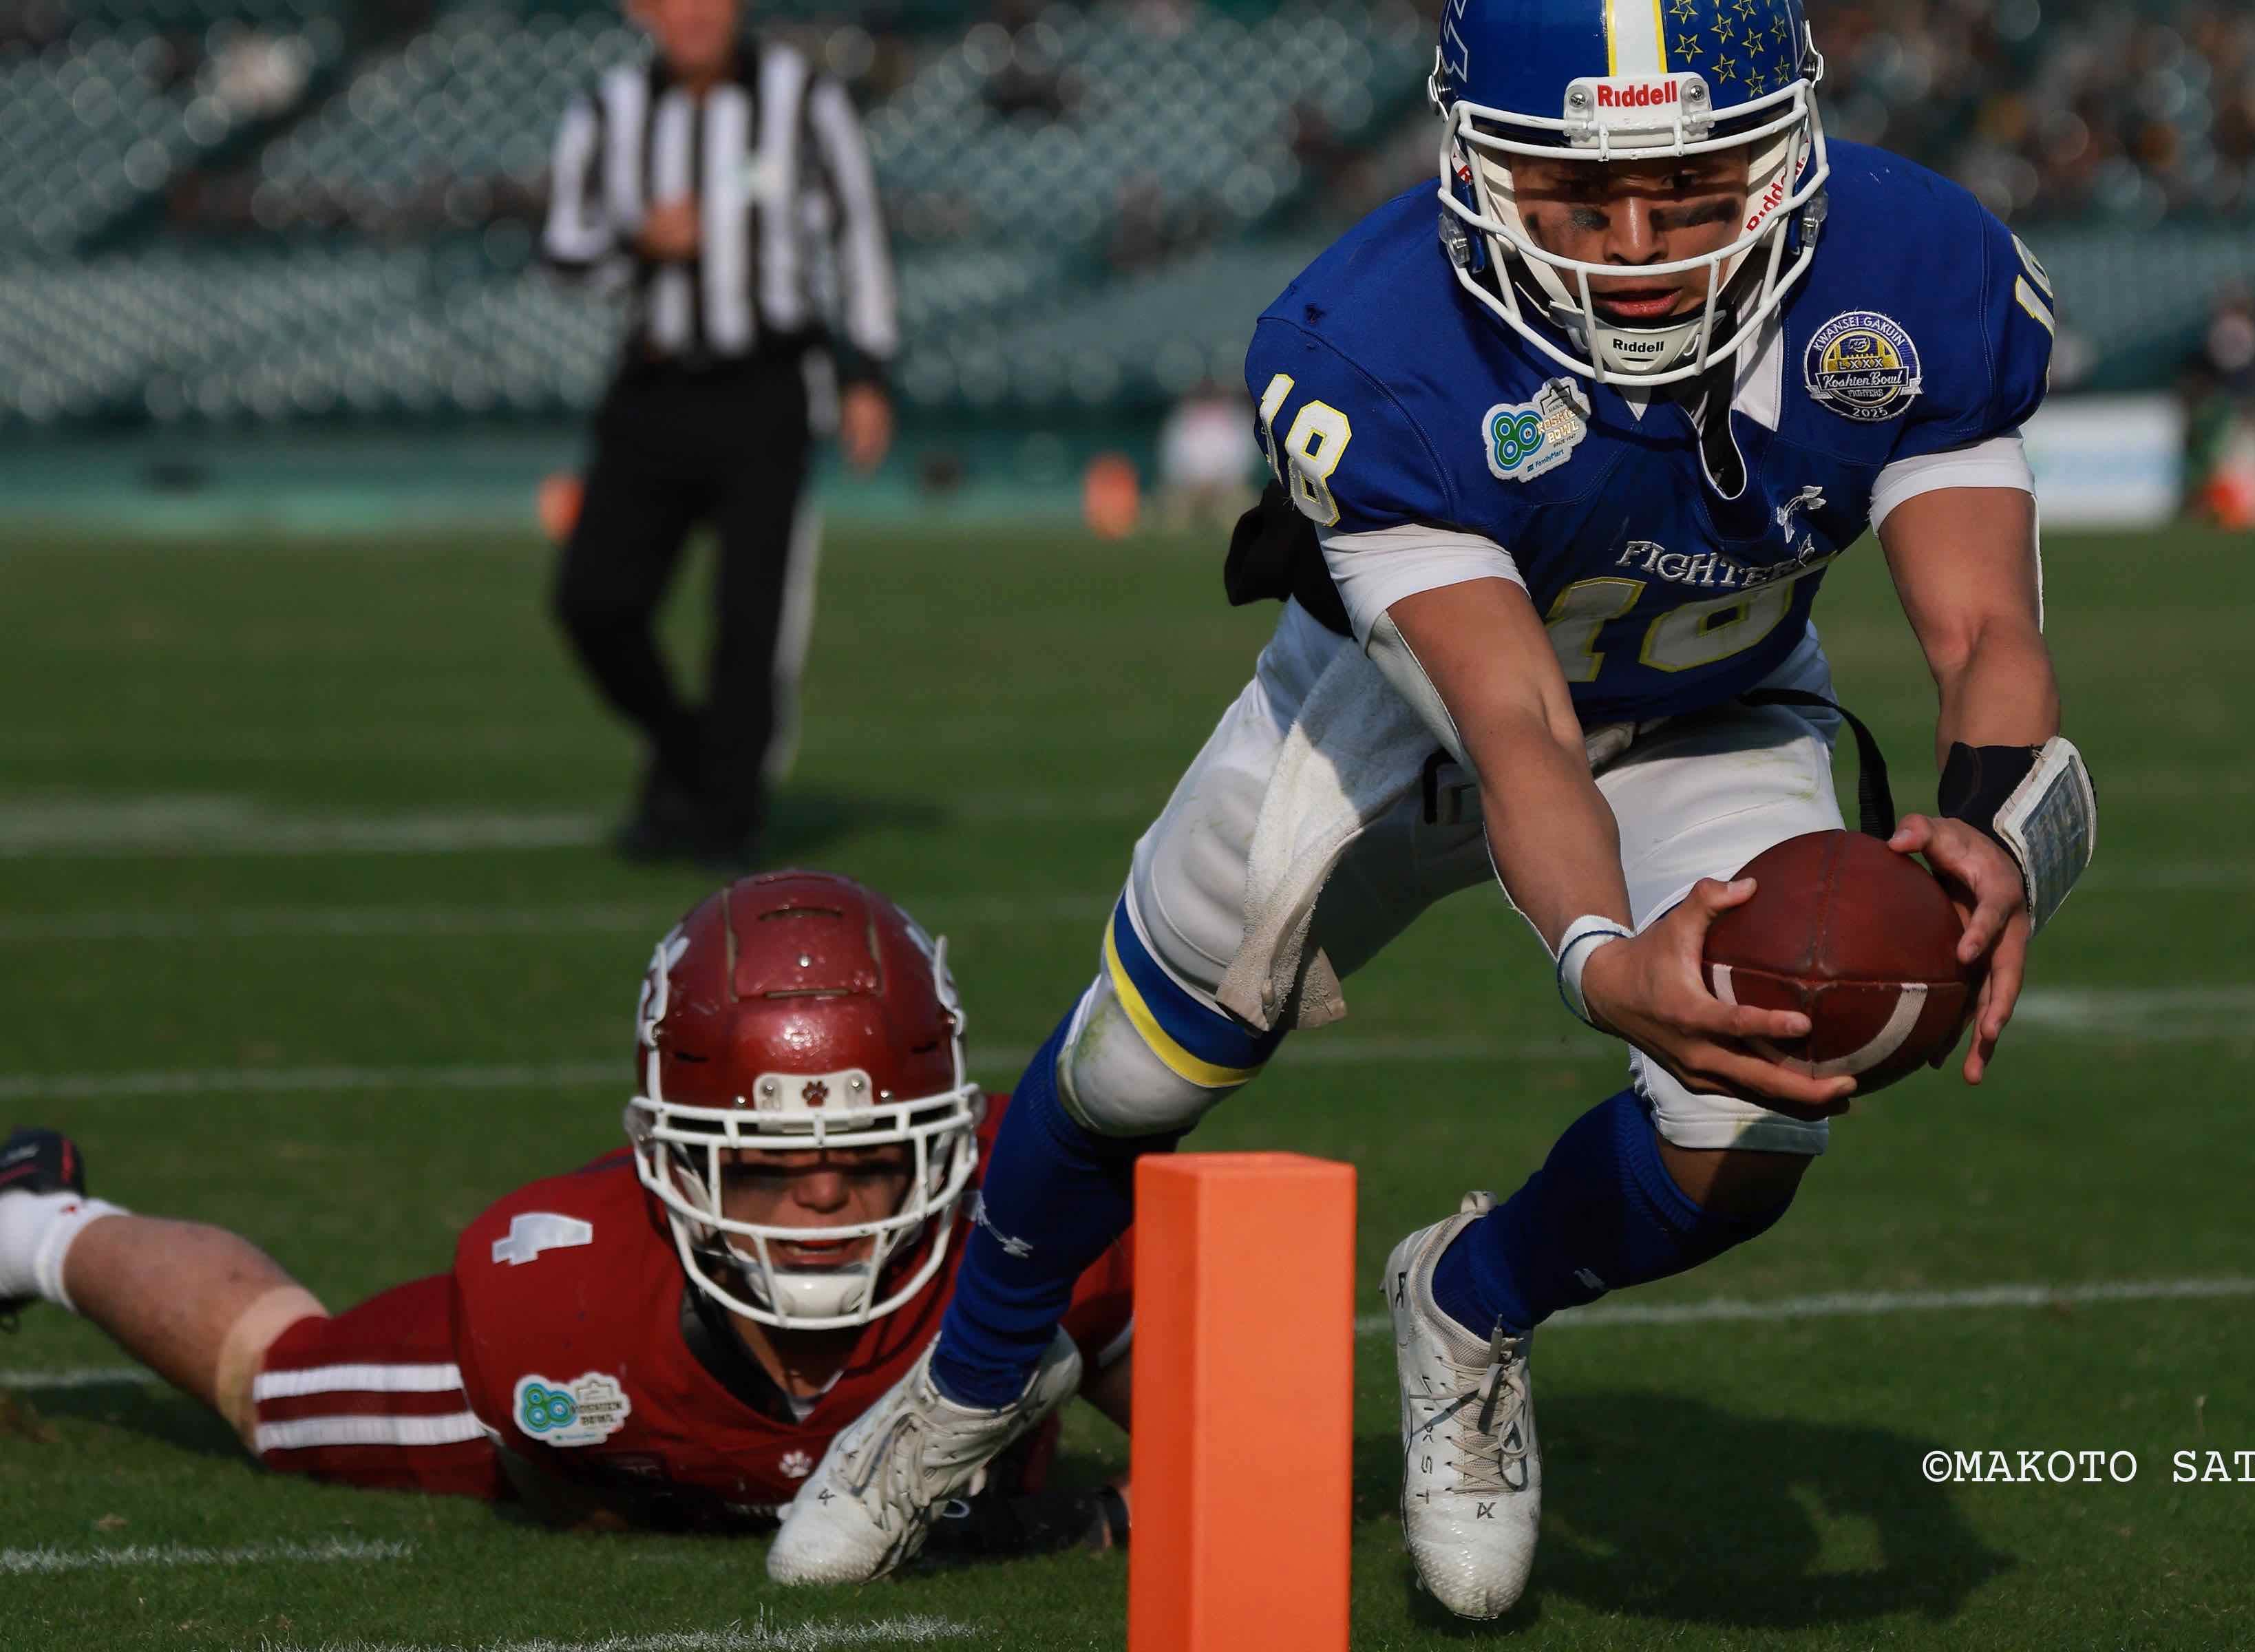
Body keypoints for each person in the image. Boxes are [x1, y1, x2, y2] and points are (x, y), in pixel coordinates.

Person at [768, 0, 2097, 1613]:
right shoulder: (1375, 340)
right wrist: (1600, 955)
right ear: (1476, 163)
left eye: (1685, 187)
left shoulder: (1913, 270)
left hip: (1716, 707)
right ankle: (969, 1382)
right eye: (1571, 193)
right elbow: (1515, 719)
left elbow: (1984, 633)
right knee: (1137, 1066)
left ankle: (1470, 1301)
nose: (1630, 245)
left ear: (1781, 153)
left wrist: (1992, 831)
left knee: (1754, 1104)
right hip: (1390, 709)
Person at [0, 872, 1131, 1548]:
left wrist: (1081, 1522)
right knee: (279, 1383)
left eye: (867, 1154)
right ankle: (32, 1223)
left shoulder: (1047, 1216)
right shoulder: (564, 1310)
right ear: (674, 1162)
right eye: (765, 1165)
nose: (822, 1193)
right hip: (626, 1400)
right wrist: (638, 1490)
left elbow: (1254, 1457)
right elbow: (562, 1486)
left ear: (944, 1137)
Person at [541, 0, 899, 869]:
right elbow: (561, 249)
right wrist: (641, 241)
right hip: (653, 386)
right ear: (642, 11)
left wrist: (867, 373)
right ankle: (684, 749)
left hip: (766, 388)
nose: (695, 15)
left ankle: (727, 818)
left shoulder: (805, 100)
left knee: (751, 620)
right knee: (593, 601)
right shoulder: (608, 108)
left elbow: (859, 235)